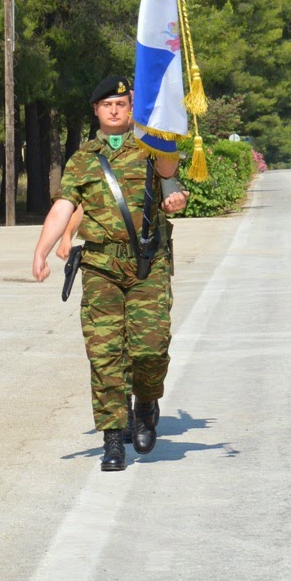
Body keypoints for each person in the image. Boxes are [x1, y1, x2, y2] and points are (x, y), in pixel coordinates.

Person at [29, 76, 189, 472]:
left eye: (121, 103)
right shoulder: (82, 159)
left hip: (147, 265)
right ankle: (113, 439)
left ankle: (146, 401)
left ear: (131, 108)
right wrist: (41, 250)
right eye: (107, 105)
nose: (114, 110)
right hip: (101, 267)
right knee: (105, 355)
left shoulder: (152, 147)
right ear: (96, 111)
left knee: (150, 347)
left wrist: (174, 192)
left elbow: (171, 172)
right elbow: (64, 207)